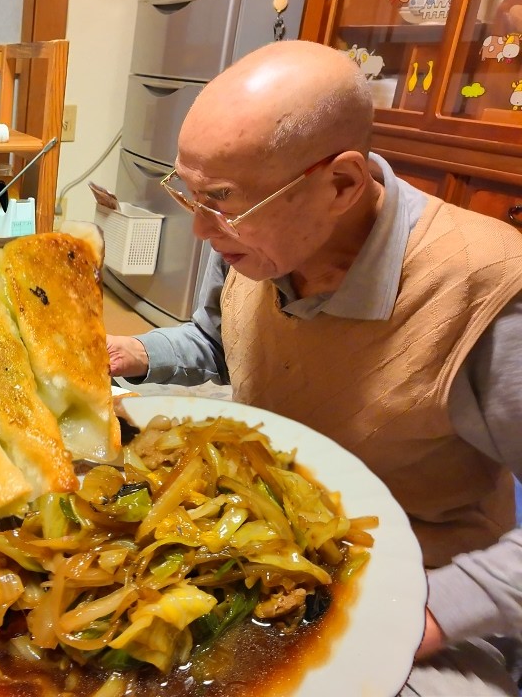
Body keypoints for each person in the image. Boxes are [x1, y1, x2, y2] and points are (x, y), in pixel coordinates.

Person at [106, 40, 522, 695]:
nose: (202, 230)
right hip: (258, 547)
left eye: (219, 199)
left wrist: (438, 609)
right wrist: (137, 352)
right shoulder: (250, 235)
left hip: (421, 581)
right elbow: (221, 343)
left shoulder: (490, 292)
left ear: (342, 184)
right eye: (190, 193)